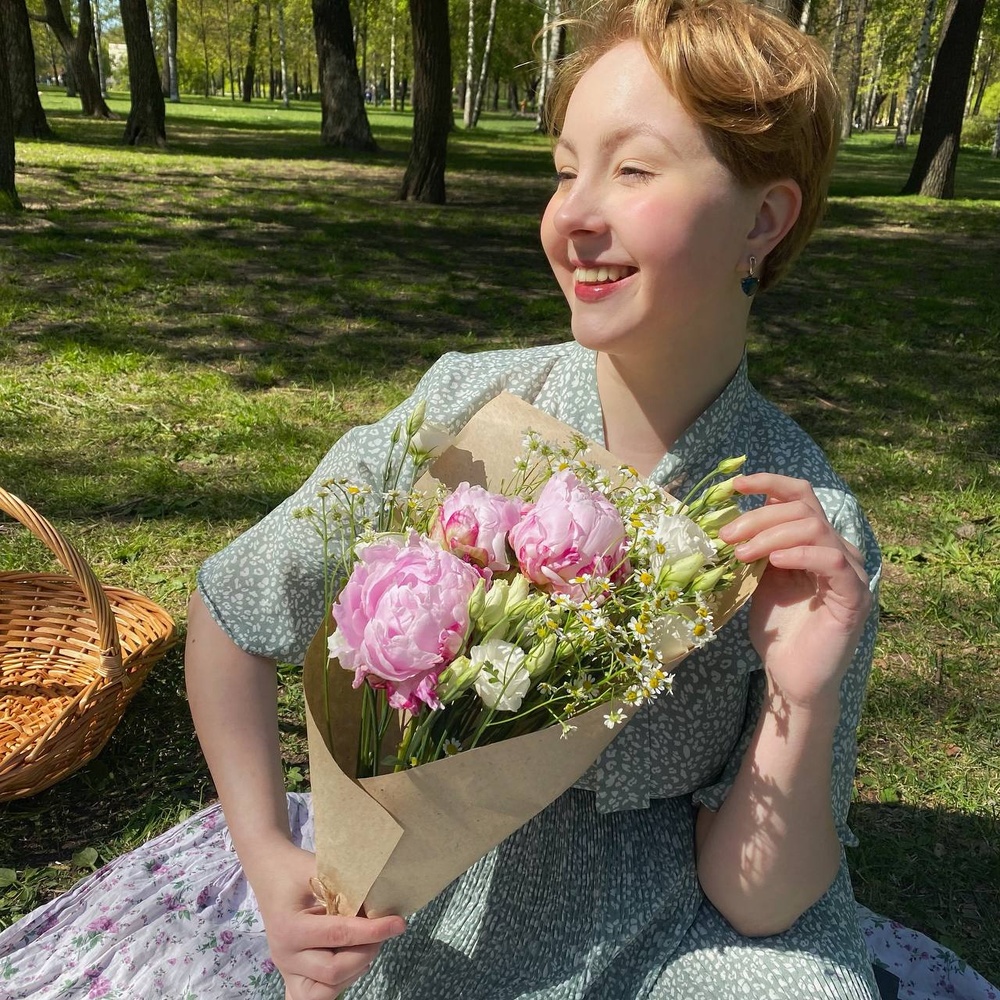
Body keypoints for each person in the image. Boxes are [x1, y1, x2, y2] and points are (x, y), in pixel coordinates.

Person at [0, 1, 884, 997]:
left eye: (631, 170)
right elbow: (235, 608)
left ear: (762, 221)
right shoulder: (465, 409)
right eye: (563, 170)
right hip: (441, 905)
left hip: (673, 934)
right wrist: (266, 854)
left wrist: (802, 698)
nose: (574, 215)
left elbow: (757, 901)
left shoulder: (802, 533)